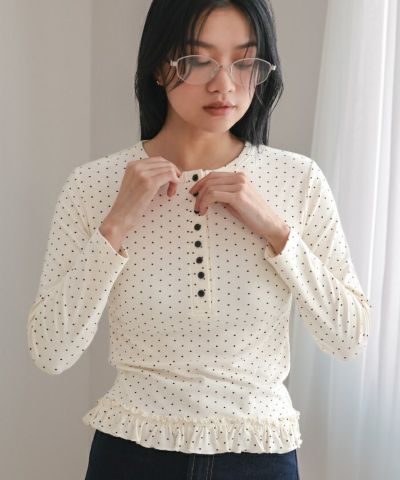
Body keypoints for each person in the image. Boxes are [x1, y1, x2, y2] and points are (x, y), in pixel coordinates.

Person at [27, 1, 372, 479]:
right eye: (198, 60)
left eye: (244, 62)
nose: (224, 85)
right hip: (132, 455)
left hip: (260, 456)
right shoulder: (93, 186)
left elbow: (349, 337)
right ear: (158, 66)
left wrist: (276, 231)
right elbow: (51, 351)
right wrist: (116, 225)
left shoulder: (298, 181)